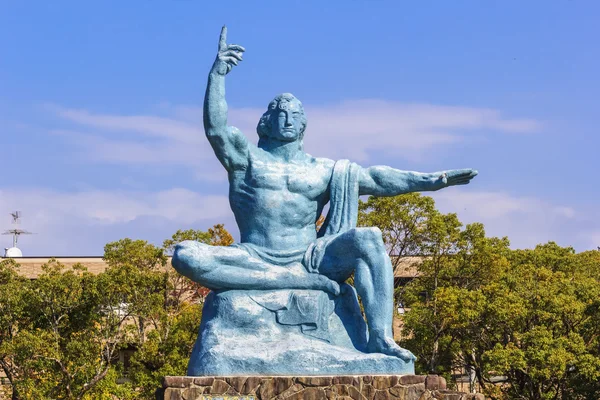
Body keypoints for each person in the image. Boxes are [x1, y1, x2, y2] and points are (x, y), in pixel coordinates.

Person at [173, 27, 477, 362]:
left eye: (294, 115)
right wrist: (217, 75)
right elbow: (216, 129)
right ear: (266, 123)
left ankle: (380, 338)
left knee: (369, 238)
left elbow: (377, 178)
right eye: (280, 115)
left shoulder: (324, 169)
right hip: (254, 256)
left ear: (303, 125)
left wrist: (432, 180)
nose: (287, 120)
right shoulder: (247, 159)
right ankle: (289, 279)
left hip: (311, 258)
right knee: (186, 256)